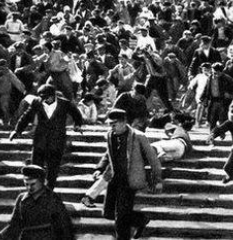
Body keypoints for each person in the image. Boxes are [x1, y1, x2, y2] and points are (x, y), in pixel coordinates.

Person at [93, 108, 163, 240]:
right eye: (110, 124)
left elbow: (153, 159)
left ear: (124, 122)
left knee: (121, 218)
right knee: (108, 213)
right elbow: (108, 154)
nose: (111, 126)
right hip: (114, 179)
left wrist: (157, 180)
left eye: (114, 123)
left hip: (131, 180)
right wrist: (100, 168)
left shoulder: (138, 137)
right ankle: (140, 220)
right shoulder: (110, 135)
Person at [10, 84, 84, 189]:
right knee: (35, 168)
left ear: (53, 96)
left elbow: (76, 114)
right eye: (42, 97)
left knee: (53, 170)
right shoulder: (37, 102)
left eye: (46, 97)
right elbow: (27, 116)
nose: (44, 100)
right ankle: (36, 190)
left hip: (56, 142)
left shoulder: (65, 103)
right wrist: (17, 130)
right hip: (40, 141)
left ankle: (49, 192)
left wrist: (78, 124)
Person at [0, 164, 75, 240]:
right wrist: (0, 237)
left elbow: (65, 226)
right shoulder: (21, 198)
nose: (29, 187)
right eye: (26, 184)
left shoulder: (53, 199)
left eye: (33, 184)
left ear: (43, 182)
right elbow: (14, 225)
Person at [0, 59, 26, 125]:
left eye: (4, 68)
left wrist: (24, 90)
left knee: (4, 105)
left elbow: (16, 82)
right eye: (0, 68)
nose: (2, 70)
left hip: (4, 93)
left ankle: (6, 121)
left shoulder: (9, 73)